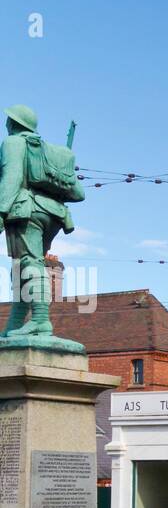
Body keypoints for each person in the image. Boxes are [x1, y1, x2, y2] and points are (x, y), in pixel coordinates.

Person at [0, 105, 84, 338]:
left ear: (14, 123)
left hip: (26, 211)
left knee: (28, 264)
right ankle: (16, 323)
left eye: (8, 120)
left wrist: (0, 211)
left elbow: (12, 178)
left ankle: (39, 320)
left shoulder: (14, 143)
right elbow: (78, 193)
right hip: (53, 216)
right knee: (23, 266)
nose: (6, 123)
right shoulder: (49, 151)